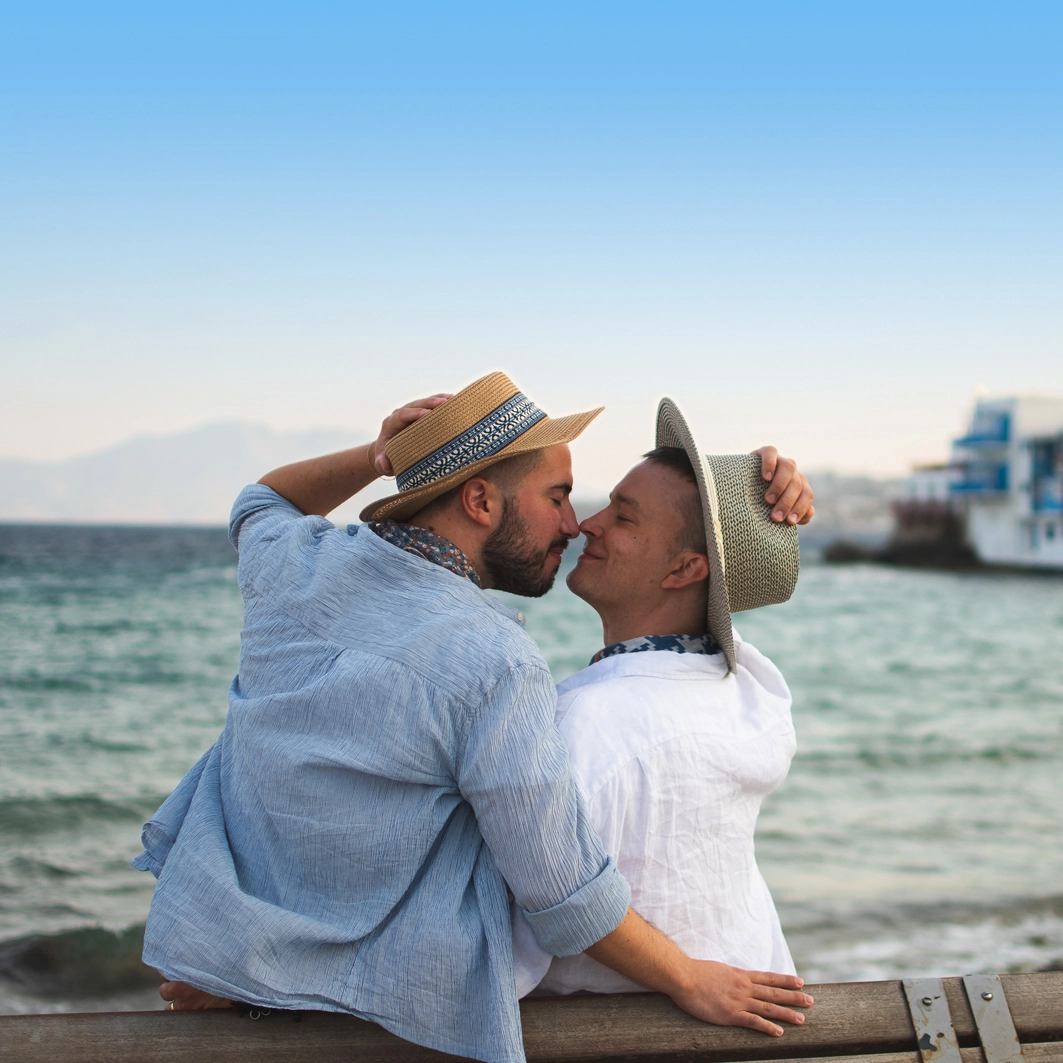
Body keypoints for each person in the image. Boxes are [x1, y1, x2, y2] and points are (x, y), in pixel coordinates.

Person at [134, 373, 813, 1063]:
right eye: (556, 496)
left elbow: (261, 500)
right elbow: (563, 893)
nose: (574, 523)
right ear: (481, 499)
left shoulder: (296, 564)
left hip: (221, 940)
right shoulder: (504, 664)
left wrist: (377, 457)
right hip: (337, 998)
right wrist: (687, 978)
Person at [512, 398, 809, 998]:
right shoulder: (749, 693)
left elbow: (527, 925)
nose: (585, 524)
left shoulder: (587, 724)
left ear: (685, 569)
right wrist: (741, 491)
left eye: (623, 517)